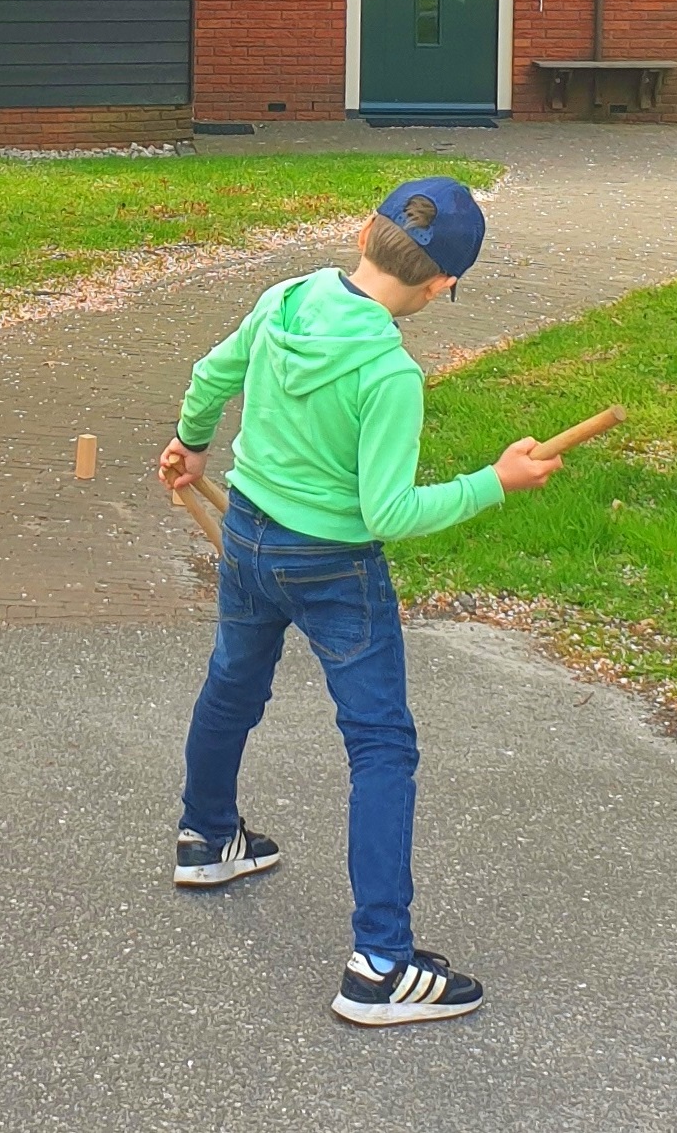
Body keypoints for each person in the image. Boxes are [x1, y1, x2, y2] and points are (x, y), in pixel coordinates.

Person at [158, 176, 560, 1028]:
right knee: (381, 745)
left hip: (253, 538)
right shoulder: (388, 372)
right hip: (335, 567)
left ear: (362, 233)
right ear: (443, 285)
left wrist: (192, 443)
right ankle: (380, 964)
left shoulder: (286, 298)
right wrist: (497, 481)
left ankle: (206, 835)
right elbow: (389, 513)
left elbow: (209, 374)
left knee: (233, 681)